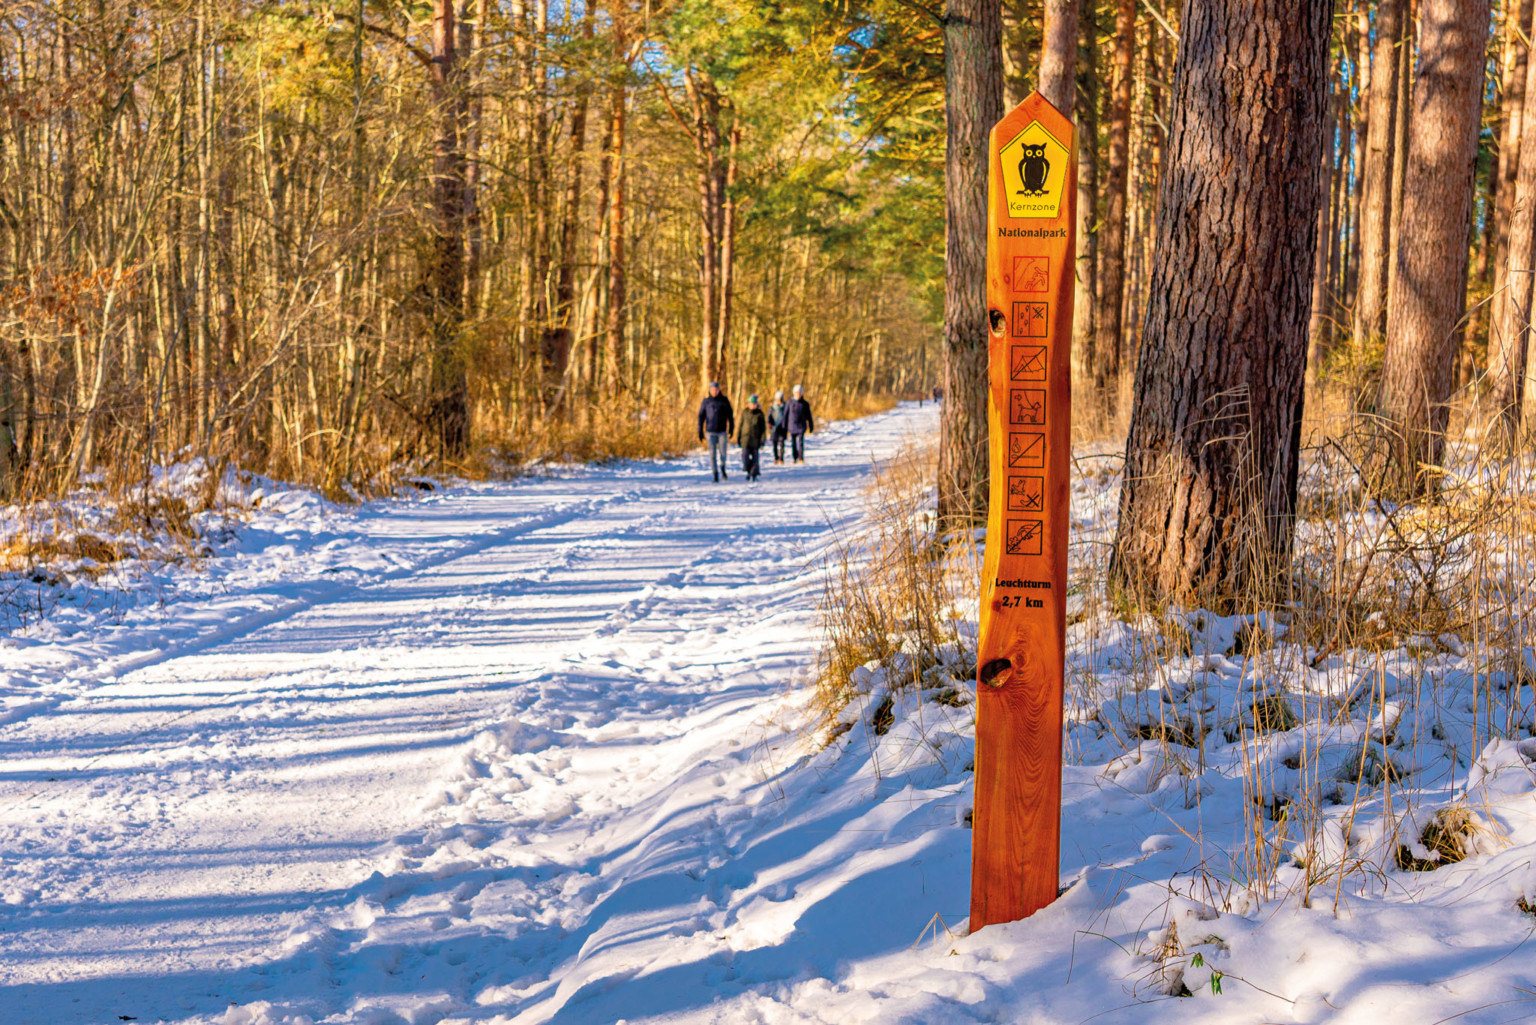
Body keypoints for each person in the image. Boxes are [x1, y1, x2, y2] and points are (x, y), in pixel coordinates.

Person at [697, 381, 734, 482]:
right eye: (713, 390)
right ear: (710, 390)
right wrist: (700, 431)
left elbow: (730, 416)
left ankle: (722, 467)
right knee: (712, 454)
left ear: (719, 390)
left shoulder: (724, 400)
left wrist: (731, 428)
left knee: (723, 453)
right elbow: (701, 417)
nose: (714, 391)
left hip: (722, 432)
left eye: (716, 389)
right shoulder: (706, 402)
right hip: (710, 432)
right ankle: (715, 473)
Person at [737, 394, 767, 481]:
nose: (753, 405)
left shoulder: (760, 414)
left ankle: (754, 474)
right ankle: (748, 470)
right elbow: (741, 425)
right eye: (751, 404)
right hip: (745, 439)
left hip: (756, 439)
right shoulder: (745, 413)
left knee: (755, 458)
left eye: (754, 404)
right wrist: (739, 437)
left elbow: (763, 428)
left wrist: (762, 439)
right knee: (745, 456)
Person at [784, 384, 814, 464]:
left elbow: (809, 416)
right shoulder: (789, 402)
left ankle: (801, 458)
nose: (798, 394)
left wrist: (811, 425)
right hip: (792, 425)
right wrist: (784, 426)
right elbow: (785, 415)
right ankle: (795, 457)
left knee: (800, 442)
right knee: (793, 443)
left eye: (799, 393)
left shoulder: (805, 404)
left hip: (801, 426)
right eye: (796, 393)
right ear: (794, 393)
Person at [767, 390, 789, 464]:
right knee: (775, 444)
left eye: (780, 399)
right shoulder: (772, 407)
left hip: (782, 428)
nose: (779, 401)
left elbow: (787, 416)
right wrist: (769, 424)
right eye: (777, 399)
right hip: (774, 428)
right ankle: (776, 457)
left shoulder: (785, 407)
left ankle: (781, 458)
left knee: (782, 443)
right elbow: (769, 417)